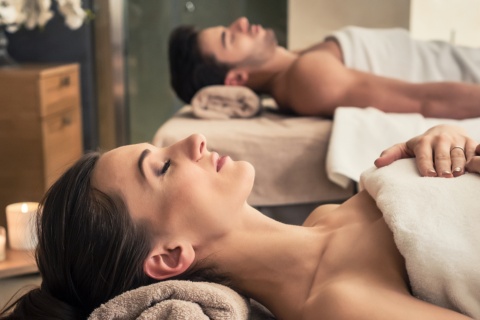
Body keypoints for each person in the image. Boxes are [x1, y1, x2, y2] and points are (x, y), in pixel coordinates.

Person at [0, 124, 479, 319]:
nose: (193, 140)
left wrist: (443, 139)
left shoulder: (325, 218)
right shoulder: (339, 303)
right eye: (163, 167)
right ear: (169, 256)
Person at [169, 17, 480, 119]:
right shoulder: (308, 78)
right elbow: (423, 101)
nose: (240, 22)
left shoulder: (298, 61)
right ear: (236, 78)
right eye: (229, 38)